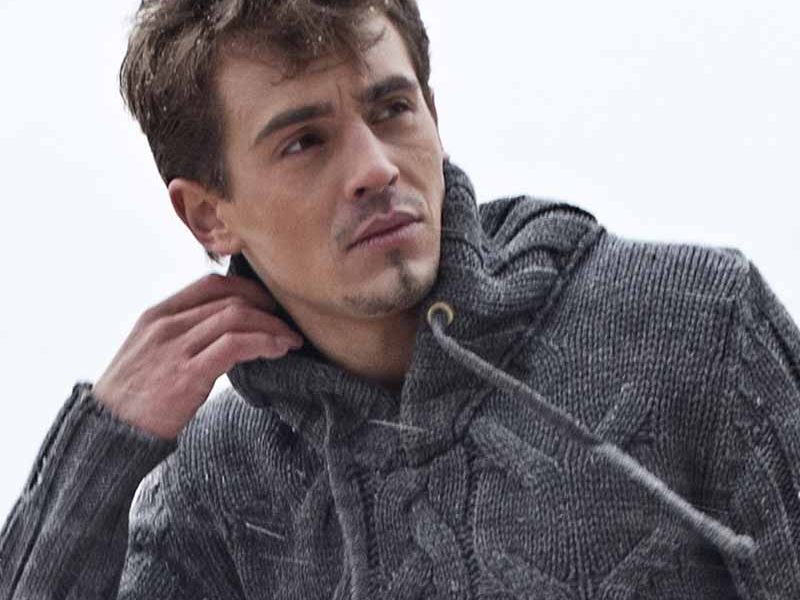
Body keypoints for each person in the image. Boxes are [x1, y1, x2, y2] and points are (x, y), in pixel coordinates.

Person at [1, 0, 799, 598]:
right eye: (304, 141)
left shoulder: (695, 326)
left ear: (434, 114)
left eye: (392, 109)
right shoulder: (217, 493)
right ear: (209, 214)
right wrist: (99, 455)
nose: (375, 167)